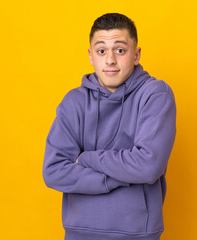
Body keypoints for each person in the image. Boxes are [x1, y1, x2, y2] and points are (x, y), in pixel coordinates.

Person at [43, 13, 176, 240]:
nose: (110, 60)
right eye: (101, 50)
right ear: (91, 56)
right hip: (80, 232)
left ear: (136, 54)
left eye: (120, 50)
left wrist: (87, 159)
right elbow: (54, 171)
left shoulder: (155, 95)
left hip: (137, 233)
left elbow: (148, 166)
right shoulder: (74, 101)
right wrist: (118, 177)